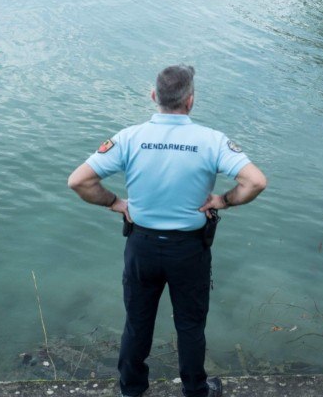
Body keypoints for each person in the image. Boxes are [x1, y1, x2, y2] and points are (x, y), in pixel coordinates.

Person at [68, 65, 267, 397]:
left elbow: (79, 181)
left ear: (153, 96)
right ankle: (195, 390)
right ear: (190, 100)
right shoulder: (212, 141)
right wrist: (223, 200)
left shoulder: (128, 138)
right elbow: (255, 182)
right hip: (189, 250)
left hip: (142, 246)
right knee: (190, 325)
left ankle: (132, 390)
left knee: (137, 323)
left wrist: (115, 202)